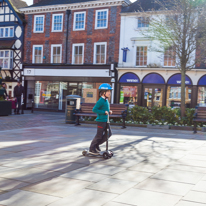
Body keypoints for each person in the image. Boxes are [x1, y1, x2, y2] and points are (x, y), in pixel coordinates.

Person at [89, 83, 113, 155]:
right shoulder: (101, 101)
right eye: (108, 91)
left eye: (110, 91)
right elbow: (94, 109)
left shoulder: (106, 100)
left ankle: (97, 144)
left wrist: (108, 111)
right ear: (103, 92)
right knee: (99, 135)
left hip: (106, 120)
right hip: (101, 121)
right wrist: (103, 112)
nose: (110, 93)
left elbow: (105, 109)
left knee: (109, 134)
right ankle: (92, 148)